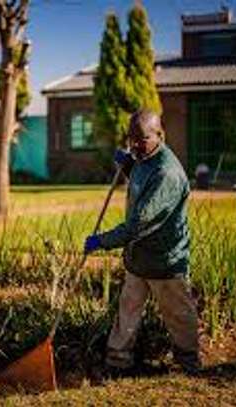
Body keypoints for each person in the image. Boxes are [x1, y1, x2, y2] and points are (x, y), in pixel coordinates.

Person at [84, 109, 200, 375]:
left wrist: (101, 241)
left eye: (142, 139)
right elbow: (140, 180)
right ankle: (117, 363)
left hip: (165, 261)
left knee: (179, 316)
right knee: (127, 313)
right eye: (130, 138)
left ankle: (189, 365)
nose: (134, 144)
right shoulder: (143, 158)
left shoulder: (166, 174)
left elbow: (138, 225)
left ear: (160, 135)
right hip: (139, 259)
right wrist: (128, 166)